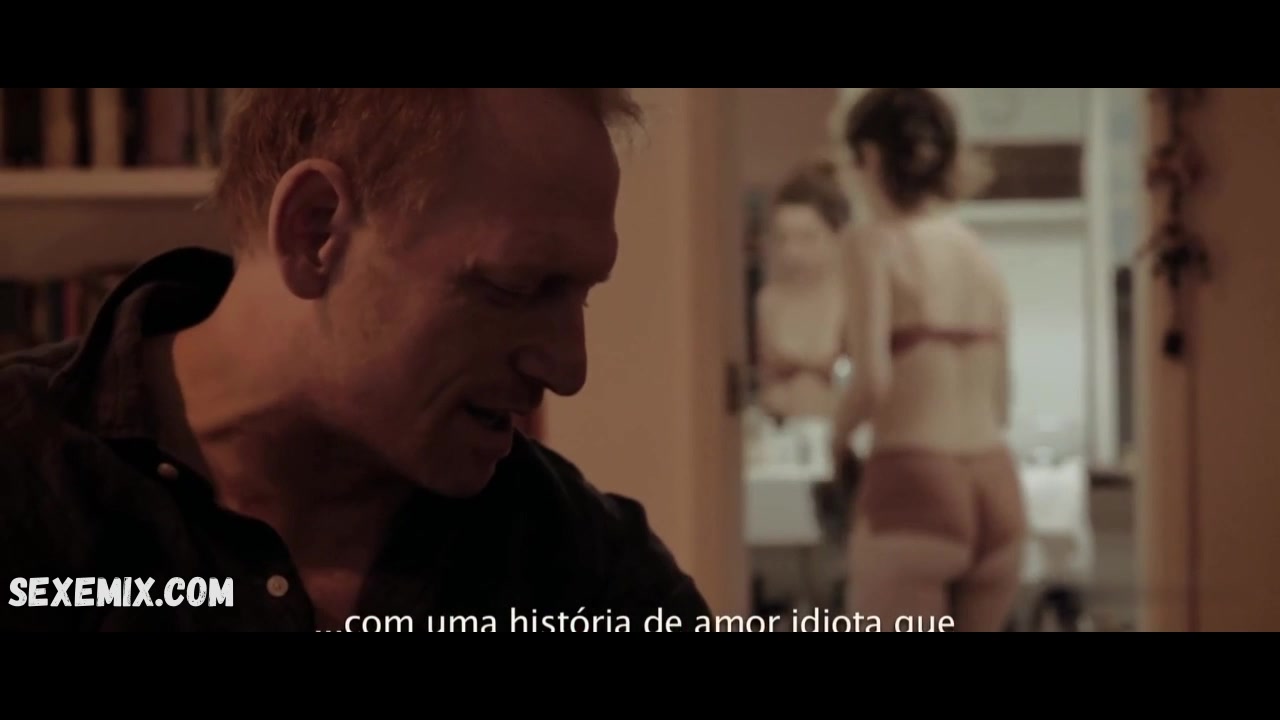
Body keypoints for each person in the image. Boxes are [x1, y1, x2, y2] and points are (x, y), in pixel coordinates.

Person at [0, 88, 711, 632]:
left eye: (580, 295)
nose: (568, 369)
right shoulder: (22, 471)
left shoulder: (585, 569)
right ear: (315, 232)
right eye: (515, 287)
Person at [831, 88, 1025, 631]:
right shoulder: (977, 252)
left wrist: (837, 442)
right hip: (996, 483)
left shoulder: (871, 243)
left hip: (915, 480)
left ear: (869, 157)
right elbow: (1002, 400)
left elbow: (872, 380)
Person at [755, 161, 849, 423]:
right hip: (783, 431)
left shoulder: (853, 299)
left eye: (807, 237)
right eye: (784, 238)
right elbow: (765, 384)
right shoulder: (769, 302)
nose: (793, 252)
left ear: (836, 236)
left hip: (838, 430)